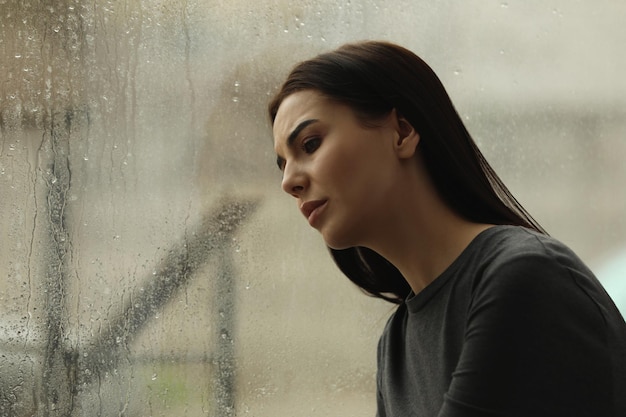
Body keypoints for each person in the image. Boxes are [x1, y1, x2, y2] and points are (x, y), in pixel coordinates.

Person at [268, 40, 626, 417]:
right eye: (283, 164)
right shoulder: (397, 345)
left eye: (310, 144)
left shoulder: (521, 276)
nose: (289, 181)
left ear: (403, 131)